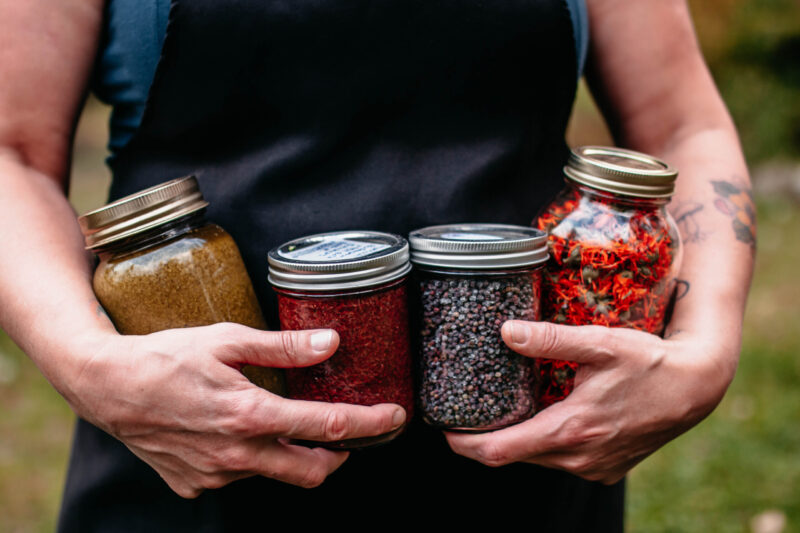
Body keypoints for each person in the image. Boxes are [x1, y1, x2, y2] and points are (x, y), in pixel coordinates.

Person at [0, 0, 754, 530]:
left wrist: (707, 347)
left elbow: (683, 122)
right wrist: (87, 361)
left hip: (535, 455)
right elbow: (13, 151)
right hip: (184, 456)